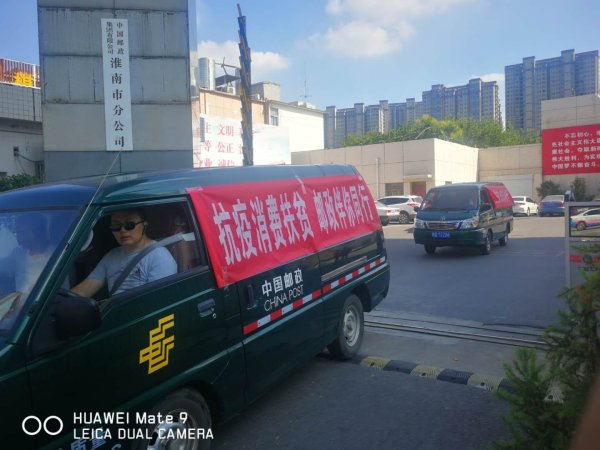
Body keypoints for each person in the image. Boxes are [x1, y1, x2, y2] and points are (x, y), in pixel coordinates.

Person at [71, 208, 177, 298]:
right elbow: (86, 288)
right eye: (116, 225)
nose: (122, 230)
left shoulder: (159, 257)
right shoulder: (111, 256)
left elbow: (158, 301)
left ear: (144, 225)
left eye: (129, 225)